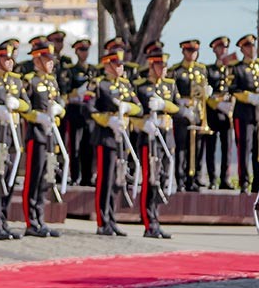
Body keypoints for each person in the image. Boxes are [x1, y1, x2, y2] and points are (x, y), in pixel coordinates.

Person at [86, 48, 143, 236]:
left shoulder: (126, 85)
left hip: (122, 136)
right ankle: (103, 221)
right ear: (108, 65)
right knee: (105, 180)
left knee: (116, 180)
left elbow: (140, 109)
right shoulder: (98, 84)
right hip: (106, 136)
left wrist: (128, 108)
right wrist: (107, 120)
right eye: (116, 64)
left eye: (121, 65)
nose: (120, 68)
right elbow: (89, 107)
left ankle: (112, 218)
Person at [0, 44, 29, 240]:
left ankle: (4, 220)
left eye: (11, 59)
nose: (10, 62)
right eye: (6, 59)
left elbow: (27, 105)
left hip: (13, 135)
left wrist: (18, 104)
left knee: (10, 180)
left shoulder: (16, 81)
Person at [21, 43, 65, 237]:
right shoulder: (29, 80)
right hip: (36, 133)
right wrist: (37, 117)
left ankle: (40, 219)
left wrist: (59, 110)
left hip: (49, 134)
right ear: (37, 60)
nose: (51, 64)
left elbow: (60, 103)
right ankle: (31, 221)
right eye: (47, 60)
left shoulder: (52, 82)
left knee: (45, 179)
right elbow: (24, 108)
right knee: (33, 177)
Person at [134, 47, 177, 238]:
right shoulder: (141, 87)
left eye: (165, 65)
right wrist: (144, 124)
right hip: (149, 139)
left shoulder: (170, 86)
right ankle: (148, 222)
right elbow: (135, 114)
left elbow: (177, 108)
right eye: (160, 65)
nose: (164, 69)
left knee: (161, 180)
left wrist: (164, 105)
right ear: (152, 66)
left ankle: (156, 219)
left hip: (166, 138)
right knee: (150, 180)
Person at [169, 39, 208, 191]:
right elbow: (173, 93)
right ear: (183, 51)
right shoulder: (176, 71)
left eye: (195, 51)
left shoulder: (201, 69)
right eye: (189, 51)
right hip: (183, 114)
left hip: (197, 113)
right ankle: (180, 179)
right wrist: (182, 104)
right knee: (181, 147)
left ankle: (194, 178)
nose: (192, 54)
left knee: (196, 147)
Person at [63, 38, 97, 186]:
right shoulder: (71, 71)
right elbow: (66, 93)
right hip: (75, 112)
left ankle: (87, 177)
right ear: (76, 52)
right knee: (75, 147)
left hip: (89, 114)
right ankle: (75, 176)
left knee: (88, 146)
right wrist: (79, 92)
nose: (84, 53)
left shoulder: (93, 70)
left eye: (86, 50)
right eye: (82, 50)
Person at [205, 35, 235, 189]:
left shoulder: (232, 69)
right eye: (220, 47)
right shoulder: (209, 70)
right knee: (210, 147)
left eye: (225, 47)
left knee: (227, 147)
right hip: (213, 112)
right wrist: (217, 104)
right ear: (214, 50)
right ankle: (212, 179)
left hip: (228, 113)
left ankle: (225, 179)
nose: (223, 50)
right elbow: (205, 93)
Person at [231, 34, 259, 193]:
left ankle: (257, 182)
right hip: (244, 114)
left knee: (258, 149)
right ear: (242, 49)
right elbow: (233, 89)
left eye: (253, 45)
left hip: (258, 115)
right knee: (244, 148)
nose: (252, 48)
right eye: (248, 46)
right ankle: (244, 182)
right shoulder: (238, 68)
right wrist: (250, 97)